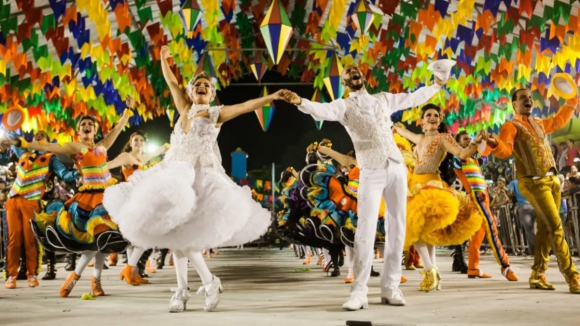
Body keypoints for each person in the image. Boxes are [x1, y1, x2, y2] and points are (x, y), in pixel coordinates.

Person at [102, 45, 273, 313]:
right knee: (174, 236)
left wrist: (272, 96)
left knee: (184, 238)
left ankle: (203, 283)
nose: (201, 87)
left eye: (206, 85)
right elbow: (171, 81)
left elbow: (245, 106)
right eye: (197, 85)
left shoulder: (216, 114)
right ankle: (186, 289)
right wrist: (162, 59)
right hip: (173, 172)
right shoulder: (184, 108)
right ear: (191, 92)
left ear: (212, 93)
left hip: (199, 178)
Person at [281, 63, 448, 309]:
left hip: (396, 168)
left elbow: (412, 98)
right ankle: (358, 292)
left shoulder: (383, 99)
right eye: (347, 73)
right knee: (365, 229)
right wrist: (300, 102)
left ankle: (391, 287)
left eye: (356, 69)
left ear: (363, 75)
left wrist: (436, 84)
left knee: (397, 228)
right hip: (371, 170)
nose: (353, 72)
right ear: (345, 82)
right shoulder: (343, 105)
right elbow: (321, 110)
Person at [2, 99, 134, 297]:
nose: (87, 126)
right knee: (94, 241)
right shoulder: (74, 147)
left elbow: (116, 130)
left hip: (107, 197)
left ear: (95, 130)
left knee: (103, 242)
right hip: (87, 201)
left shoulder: (102, 146)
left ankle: (95, 282)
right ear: (78, 132)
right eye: (83, 125)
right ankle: (75, 275)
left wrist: (128, 111)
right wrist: (17, 142)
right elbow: (47, 146)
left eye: (90, 124)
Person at [480, 88, 580, 293]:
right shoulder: (511, 125)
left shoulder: (539, 123)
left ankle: (537, 274)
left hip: (552, 181)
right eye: (522, 98)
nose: (528, 100)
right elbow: (505, 150)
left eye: (530, 98)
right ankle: (573, 276)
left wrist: (572, 99)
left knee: (546, 227)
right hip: (533, 183)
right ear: (514, 104)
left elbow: (559, 121)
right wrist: (492, 143)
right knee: (556, 226)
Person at [393, 104, 484, 292]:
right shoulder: (418, 138)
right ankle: (435, 275)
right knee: (426, 234)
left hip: (431, 186)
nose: (432, 117)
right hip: (414, 186)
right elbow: (400, 131)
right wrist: (394, 127)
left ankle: (429, 271)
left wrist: (475, 143)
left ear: (439, 120)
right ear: (422, 121)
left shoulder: (443, 138)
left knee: (415, 230)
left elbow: (462, 153)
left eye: (436, 115)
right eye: (428, 115)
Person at [0, 131, 79, 289]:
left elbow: (66, 175)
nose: (39, 136)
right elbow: (11, 143)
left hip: (32, 201)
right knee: (13, 240)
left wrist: (84, 169)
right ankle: (11, 276)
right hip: (13, 200)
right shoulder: (23, 152)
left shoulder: (51, 158)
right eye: (37, 135)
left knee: (30, 240)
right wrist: (6, 139)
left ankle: (32, 274)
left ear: (47, 142)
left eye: (43, 135)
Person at [105, 130, 169, 285]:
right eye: (136, 140)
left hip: (141, 199)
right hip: (131, 199)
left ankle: (131, 273)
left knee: (134, 238)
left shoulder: (141, 158)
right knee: (144, 237)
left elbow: (155, 153)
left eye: (141, 140)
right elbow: (108, 165)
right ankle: (129, 268)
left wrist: (166, 147)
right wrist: (90, 166)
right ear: (130, 142)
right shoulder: (127, 157)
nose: (139, 143)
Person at [453, 131, 517, 281]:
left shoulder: (473, 158)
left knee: (479, 232)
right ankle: (505, 266)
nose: (468, 141)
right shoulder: (458, 157)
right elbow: (463, 156)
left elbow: (485, 150)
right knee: (491, 228)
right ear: (458, 143)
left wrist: (486, 138)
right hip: (476, 196)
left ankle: (473, 268)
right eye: (465, 139)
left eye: (469, 138)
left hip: (483, 195)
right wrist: (476, 141)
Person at [507, 178, 536, 256]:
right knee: (535, 229)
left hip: (524, 206)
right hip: (536, 206)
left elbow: (509, 193)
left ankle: (536, 249)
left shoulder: (514, 182)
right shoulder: (531, 180)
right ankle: (532, 249)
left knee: (529, 230)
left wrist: (513, 197)